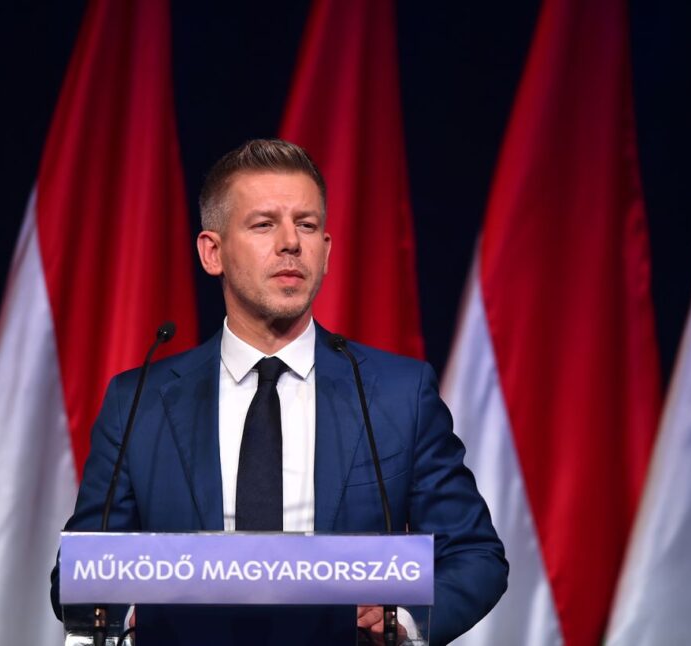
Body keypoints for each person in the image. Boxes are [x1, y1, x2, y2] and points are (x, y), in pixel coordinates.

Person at [51, 139, 507, 644]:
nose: (291, 242)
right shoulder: (139, 401)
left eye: (306, 225)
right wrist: (143, 612)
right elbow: (77, 578)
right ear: (212, 252)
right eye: (264, 224)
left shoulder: (398, 394)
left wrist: (400, 621)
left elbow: (474, 554)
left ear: (326, 252)